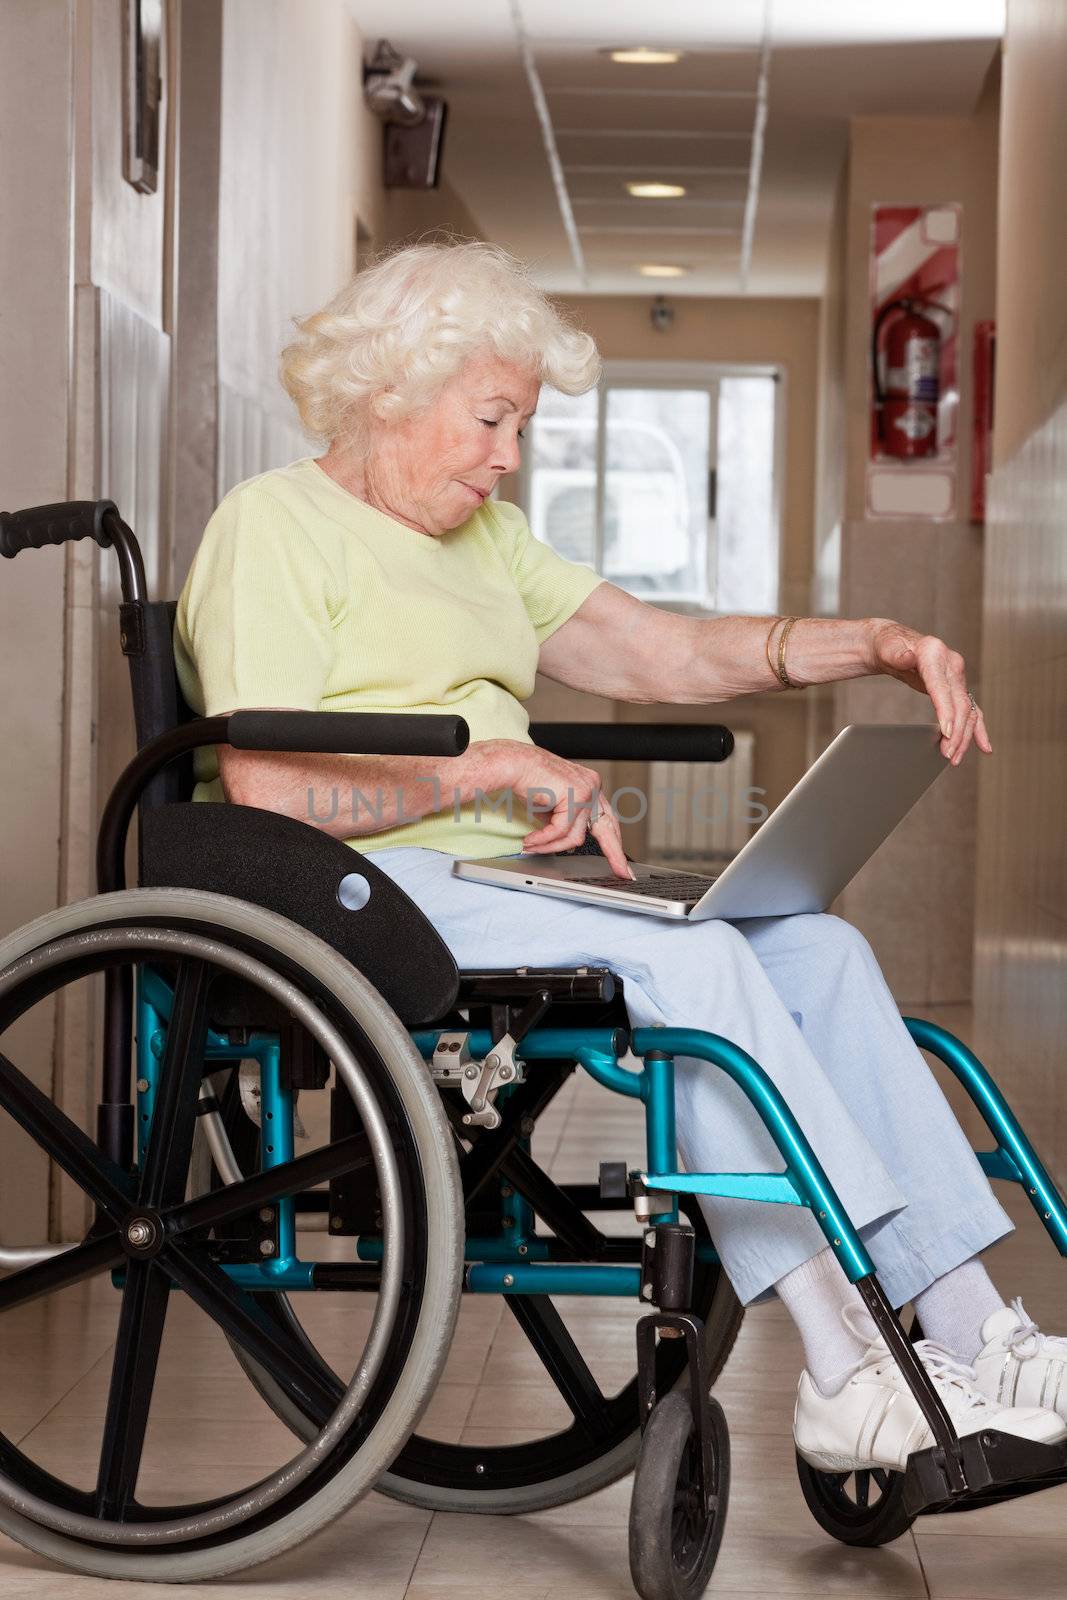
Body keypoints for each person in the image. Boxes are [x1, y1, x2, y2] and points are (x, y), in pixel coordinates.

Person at [176, 241, 1067, 1474]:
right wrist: (480, 771)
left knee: (817, 946)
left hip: (503, 885)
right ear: (386, 389)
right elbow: (268, 788)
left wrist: (872, 639)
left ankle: (973, 1323)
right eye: (490, 418)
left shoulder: (487, 541)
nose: (507, 455)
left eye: (521, 425)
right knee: (689, 965)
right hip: (362, 889)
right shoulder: (271, 528)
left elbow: (668, 655)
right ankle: (841, 1363)